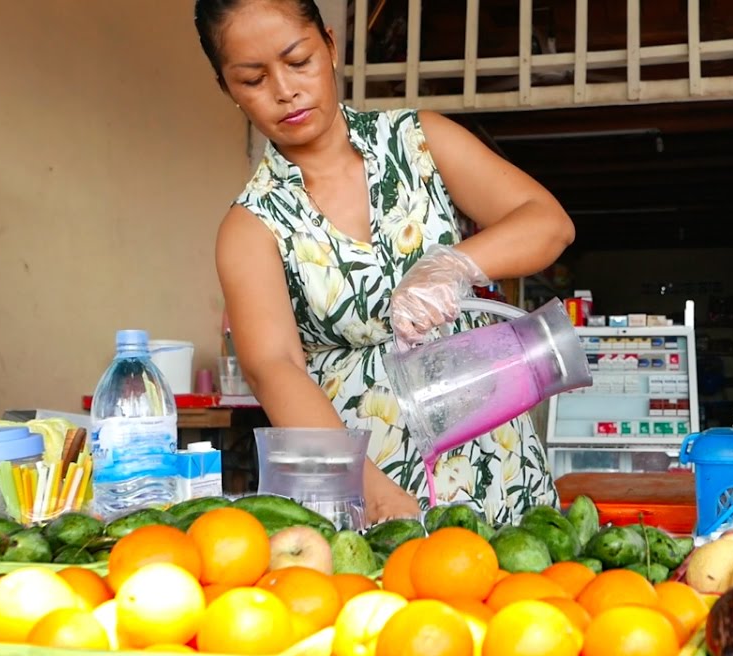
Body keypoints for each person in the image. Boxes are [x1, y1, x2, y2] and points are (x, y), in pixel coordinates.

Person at [194, 0, 575, 524]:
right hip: (373, 480)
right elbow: (274, 368)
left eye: (298, 60)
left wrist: (455, 265)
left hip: (498, 463)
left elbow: (548, 224)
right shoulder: (250, 226)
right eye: (253, 79)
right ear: (227, 89)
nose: (284, 90)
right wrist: (370, 489)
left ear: (329, 45)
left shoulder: (420, 141)